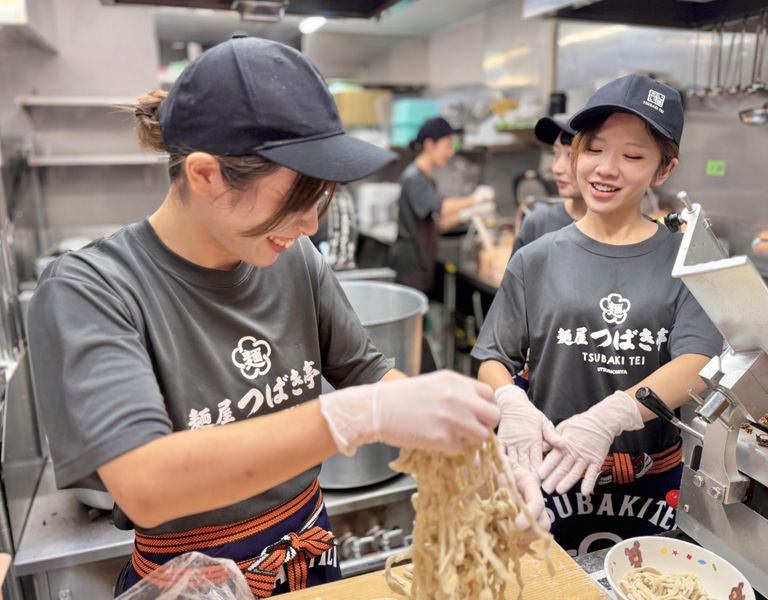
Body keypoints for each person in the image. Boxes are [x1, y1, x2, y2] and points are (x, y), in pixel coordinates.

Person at [25, 37, 533, 598]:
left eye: (322, 199)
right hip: (192, 584)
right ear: (205, 175)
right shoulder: (93, 287)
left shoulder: (295, 259)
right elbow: (145, 483)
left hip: (309, 559)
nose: (311, 224)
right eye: (295, 198)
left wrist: (476, 460)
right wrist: (354, 417)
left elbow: (364, 371)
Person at [472, 74, 723, 556]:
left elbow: (698, 362)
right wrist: (509, 400)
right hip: (549, 475)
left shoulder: (687, 260)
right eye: (594, 149)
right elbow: (493, 356)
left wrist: (613, 415)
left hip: (648, 481)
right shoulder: (536, 258)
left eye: (632, 156)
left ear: (664, 170)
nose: (606, 169)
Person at [388, 117, 495, 296]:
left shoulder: (426, 177)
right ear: (429, 144)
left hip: (421, 260)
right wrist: (475, 199)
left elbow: (437, 223)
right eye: (447, 145)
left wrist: (466, 215)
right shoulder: (414, 177)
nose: (450, 152)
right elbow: (439, 207)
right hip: (409, 263)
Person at [512, 117, 585, 254]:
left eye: (571, 155)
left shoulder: (620, 232)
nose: (556, 168)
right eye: (556, 154)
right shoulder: (538, 224)